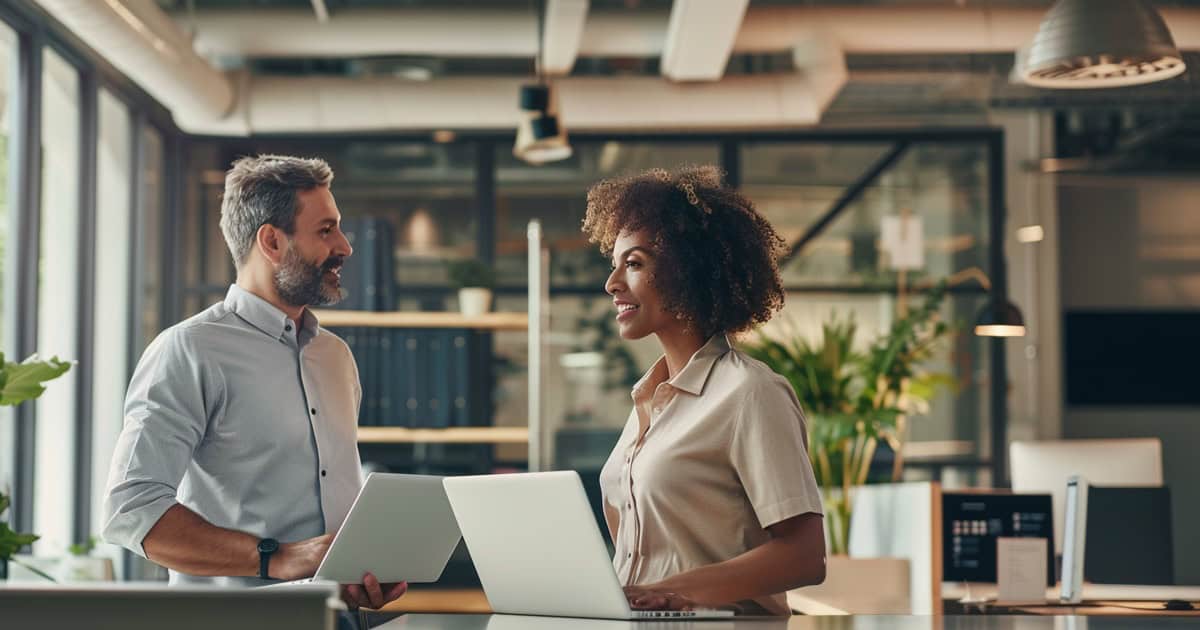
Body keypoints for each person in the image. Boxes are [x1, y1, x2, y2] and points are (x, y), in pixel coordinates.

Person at [102, 155, 406, 611]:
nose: (344, 246)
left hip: (339, 620)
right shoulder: (189, 350)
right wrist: (276, 558)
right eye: (326, 230)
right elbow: (131, 510)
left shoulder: (335, 357)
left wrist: (363, 569)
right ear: (271, 241)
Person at [585, 165, 826, 616]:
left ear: (686, 271)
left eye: (633, 263)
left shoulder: (750, 393)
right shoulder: (647, 403)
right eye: (614, 264)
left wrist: (677, 591)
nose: (612, 283)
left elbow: (804, 555)